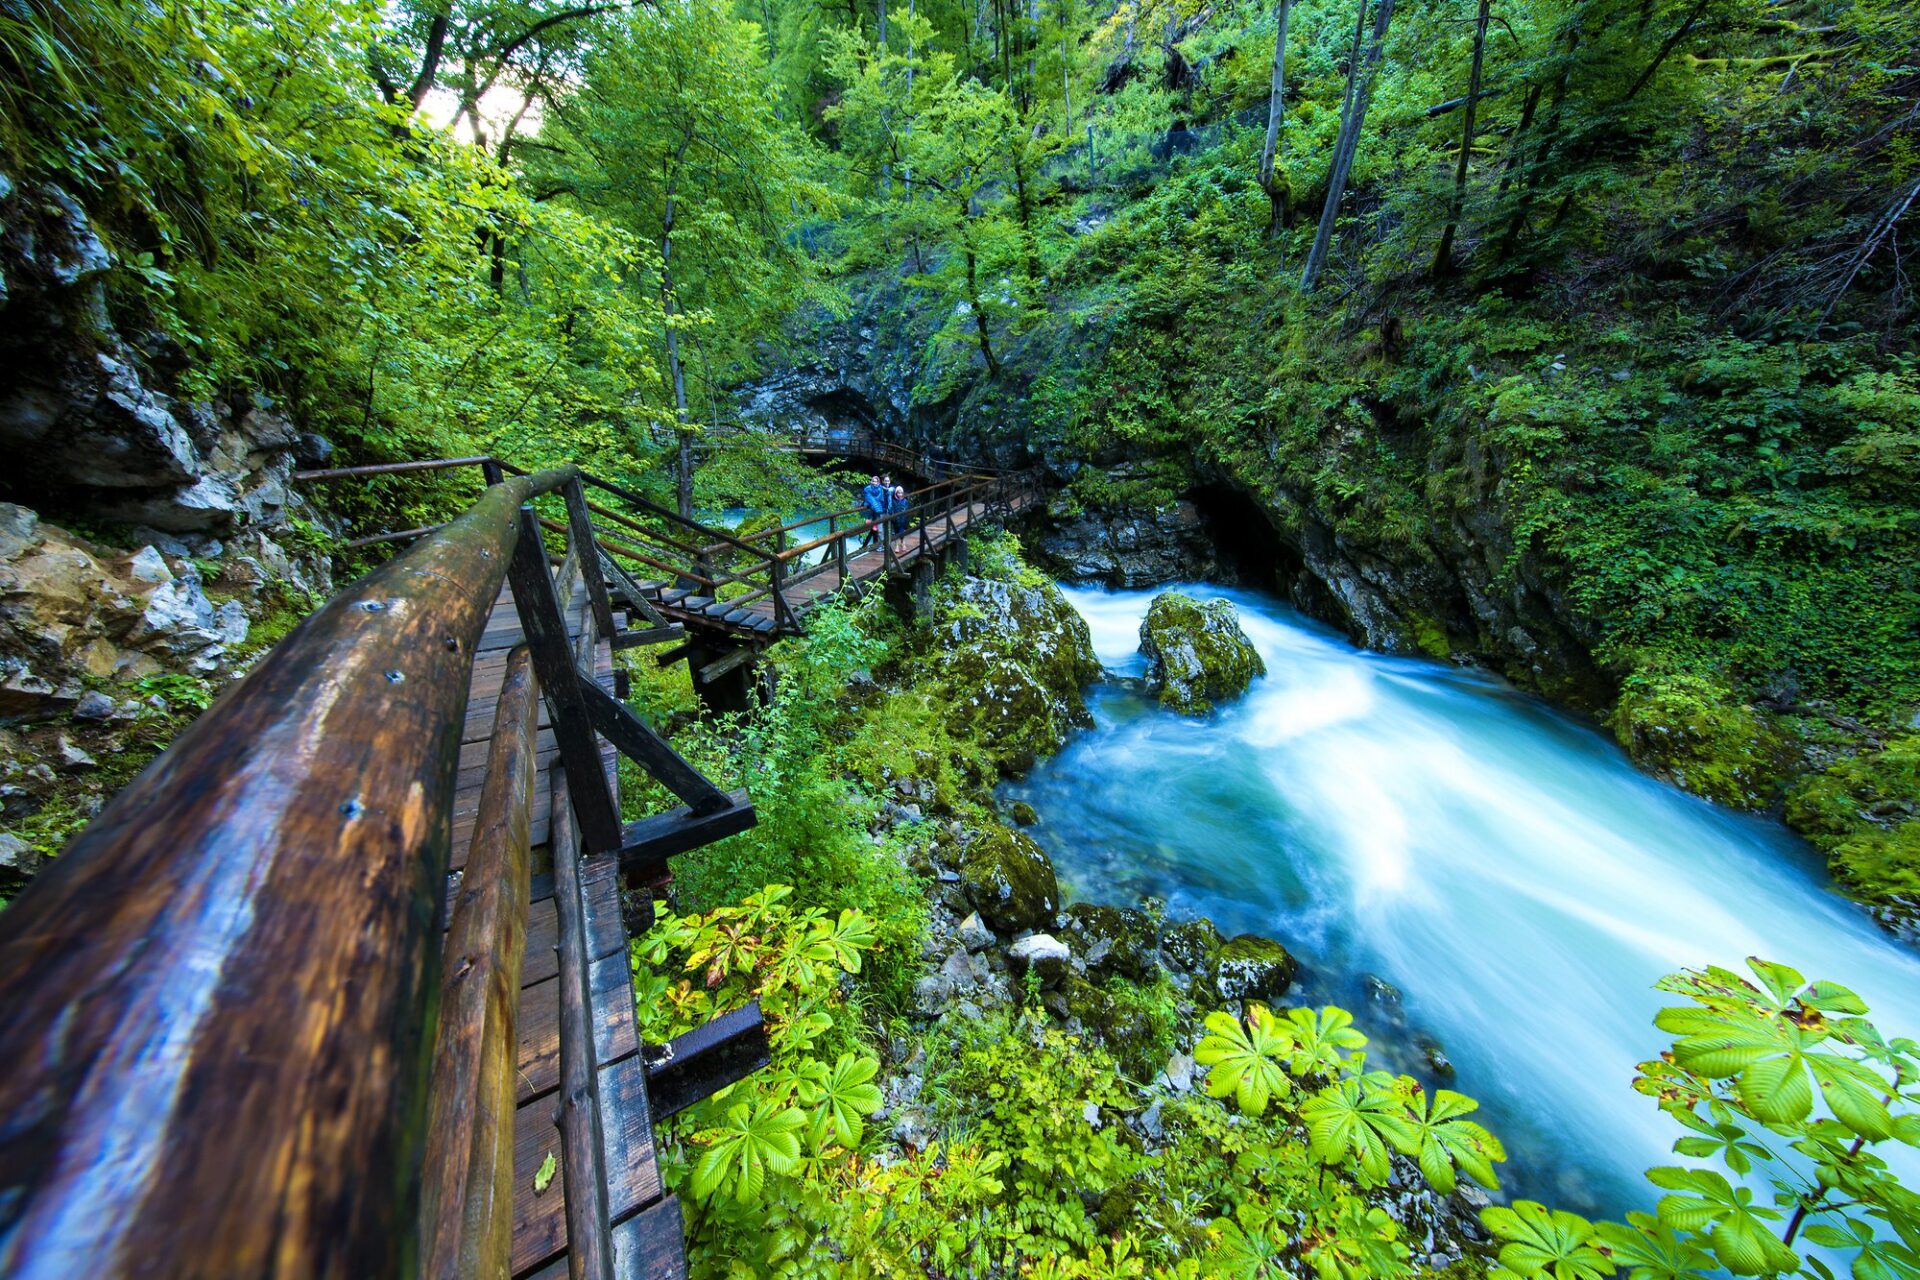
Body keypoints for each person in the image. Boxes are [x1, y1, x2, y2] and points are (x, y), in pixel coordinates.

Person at [858, 474, 887, 550]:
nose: (874, 482)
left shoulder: (880, 489)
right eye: (873, 481)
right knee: (872, 529)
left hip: (878, 512)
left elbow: (880, 499)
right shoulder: (867, 489)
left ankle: (881, 545)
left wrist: (875, 505)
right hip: (871, 513)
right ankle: (868, 546)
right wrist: (875, 505)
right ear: (871, 481)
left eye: (876, 481)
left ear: (878, 482)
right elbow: (869, 499)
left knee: (879, 530)